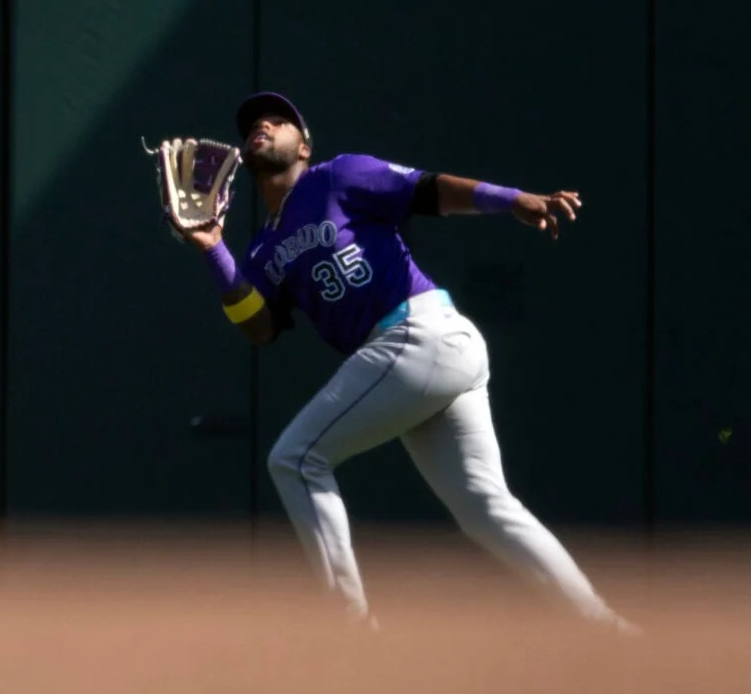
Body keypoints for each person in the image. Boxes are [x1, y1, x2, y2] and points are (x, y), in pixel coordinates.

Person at [179, 90, 633, 632]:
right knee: (485, 508)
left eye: (279, 120)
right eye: (255, 122)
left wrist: (509, 199)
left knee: (295, 459)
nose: (264, 125)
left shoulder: (338, 176)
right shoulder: (259, 250)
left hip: (420, 332)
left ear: (304, 146)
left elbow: (426, 189)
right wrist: (213, 248)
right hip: (420, 355)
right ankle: (606, 628)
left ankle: (351, 631)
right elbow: (260, 327)